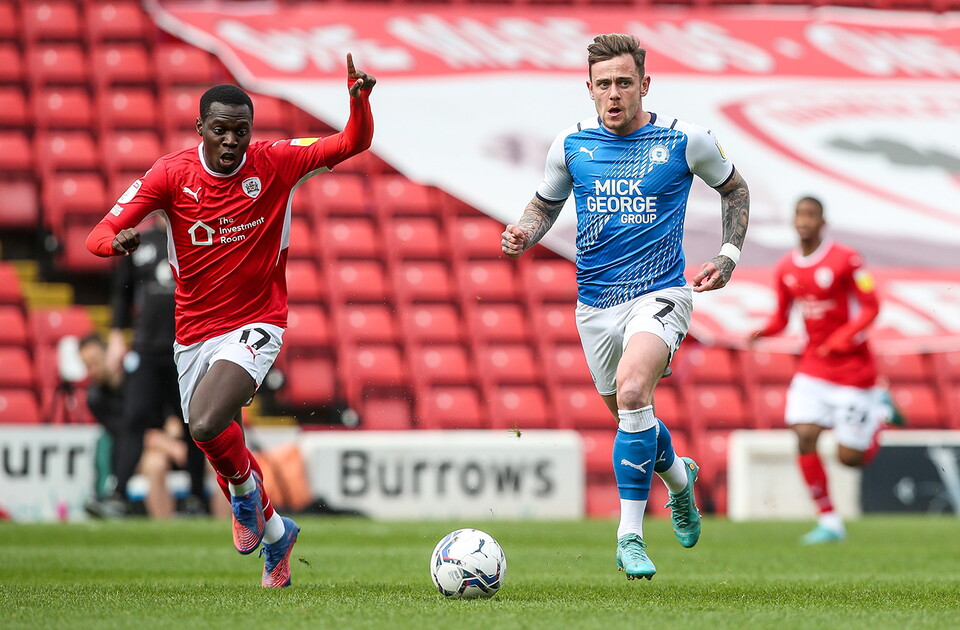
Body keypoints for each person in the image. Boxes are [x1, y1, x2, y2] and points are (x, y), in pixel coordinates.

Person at [86, 54, 376, 587]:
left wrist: (358, 102)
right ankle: (275, 534)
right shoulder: (171, 174)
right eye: (219, 130)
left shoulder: (275, 162)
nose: (230, 142)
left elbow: (351, 142)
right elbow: (98, 233)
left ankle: (246, 507)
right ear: (200, 128)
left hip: (257, 322)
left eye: (240, 131)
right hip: (192, 333)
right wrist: (116, 244)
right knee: (211, 434)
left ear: (250, 132)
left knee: (204, 422)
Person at [502, 33, 750, 580]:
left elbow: (735, 191)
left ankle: (629, 537)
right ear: (588, 88)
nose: (614, 94)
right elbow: (545, 202)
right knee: (632, 418)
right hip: (594, 305)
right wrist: (525, 230)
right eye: (604, 84)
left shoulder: (685, 140)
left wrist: (727, 257)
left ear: (644, 85)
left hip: (661, 292)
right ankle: (680, 480)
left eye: (624, 83)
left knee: (637, 391)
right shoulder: (571, 145)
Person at [749, 196, 891, 545]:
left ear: (822, 221)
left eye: (811, 215)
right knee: (803, 435)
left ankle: (880, 413)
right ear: (793, 221)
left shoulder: (847, 260)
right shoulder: (786, 268)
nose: (804, 221)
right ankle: (829, 520)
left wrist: (843, 339)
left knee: (850, 459)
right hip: (813, 367)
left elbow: (871, 308)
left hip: (854, 372)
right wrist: (763, 331)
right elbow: (782, 316)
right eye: (799, 214)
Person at [104, 215, 216, 519]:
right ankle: (117, 493)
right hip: (147, 350)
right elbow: (122, 293)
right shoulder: (140, 242)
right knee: (134, 419)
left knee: (194, 424)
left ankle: (195, 497)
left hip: (190, 348)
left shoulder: (200, 235)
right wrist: (116, 338)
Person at [78, 333, 127, 518]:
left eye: (94, 362)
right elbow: (123, 431)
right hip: (127, 451)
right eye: (86, 365)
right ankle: (105, 496)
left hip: (163, 442)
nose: (91, 370)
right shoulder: (95, 398)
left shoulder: (138, 381)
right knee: (104, 441)